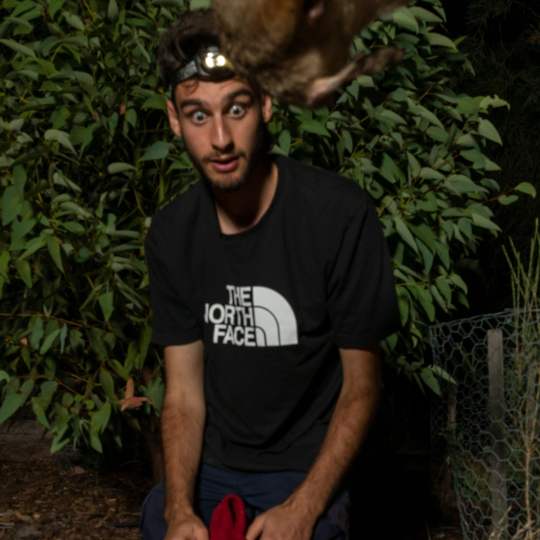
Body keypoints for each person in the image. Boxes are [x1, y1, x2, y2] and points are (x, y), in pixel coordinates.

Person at [141, 9, 400, 540]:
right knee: (158, 520)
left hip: (305, 468)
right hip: (213, 466)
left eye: (235, 108)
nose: (219, 138)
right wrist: (180, 510)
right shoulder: (171, 234)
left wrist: (303, 509)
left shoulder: (338, 216)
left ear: (265, 104)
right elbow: (183, 395)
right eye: (197, 115)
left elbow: (362, 387)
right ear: (174, 119)